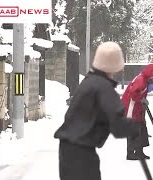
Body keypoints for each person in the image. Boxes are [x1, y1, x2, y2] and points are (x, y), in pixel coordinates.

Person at [54, 42, 140, 180]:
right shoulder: (103, 87)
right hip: (81, 153)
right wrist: (134, 127)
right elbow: (117, 126)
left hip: (69, 149)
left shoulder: (89, 82)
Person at [122, 57, 153, 160]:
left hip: (137, 107)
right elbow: (133, 93)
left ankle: (139, 151)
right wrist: (141, 99)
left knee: (142, 128)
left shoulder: (146, 78)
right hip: (131, 107)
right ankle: (130, 153)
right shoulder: (141, 79)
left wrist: (142, 99)